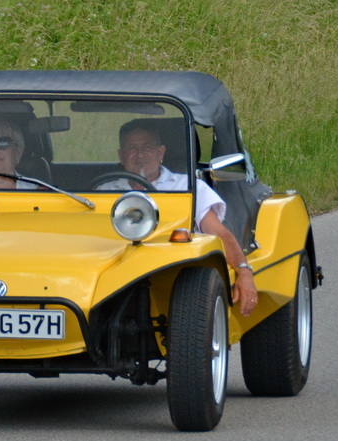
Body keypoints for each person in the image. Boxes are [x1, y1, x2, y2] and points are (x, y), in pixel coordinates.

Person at [101, 119, 257, 317]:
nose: (139, 155)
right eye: (132, 148)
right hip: (112, 279)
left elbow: (217, 233)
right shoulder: (103, 191)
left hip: (176, 280)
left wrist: (244, 272)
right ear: (121, 156)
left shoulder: (189, 188)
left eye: (146, 147)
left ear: (161, 153)